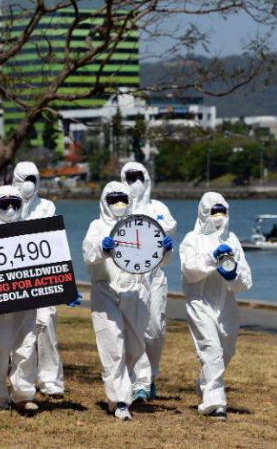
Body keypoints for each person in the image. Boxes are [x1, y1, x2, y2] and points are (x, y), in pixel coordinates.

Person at [83, 181, 173, 420]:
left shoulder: (141, 225)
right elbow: (88, 254)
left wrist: (165, 249)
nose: (118, 204)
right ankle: (121, 400)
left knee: (134, 347)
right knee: (112, 345)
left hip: (136, 291)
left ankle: (124, 385)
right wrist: (101, 247)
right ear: (105, 201)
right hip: (105, 290)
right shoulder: (97, 226)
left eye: (122, 199)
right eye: (113, 200)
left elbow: (157, 260)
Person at [180, 193, 252, 419]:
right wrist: (212, 258)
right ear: (203, 212)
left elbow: (246, 280)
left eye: (222, 211)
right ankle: (215, 403)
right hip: (199, 302)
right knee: (211, 350)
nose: (218, 217)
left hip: (226, 305)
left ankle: (204, 383)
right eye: (214, 212)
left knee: (226, 351)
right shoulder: (191, 239)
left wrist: (233, 275)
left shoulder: (232, 239)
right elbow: (189, 271)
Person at [0, 186, 42, 413]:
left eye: (15, 204)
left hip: (24, 299)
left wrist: (64, 288)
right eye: (5, 204)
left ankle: (23, 394)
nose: (10, 209)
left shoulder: (31, 233)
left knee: (27, 346)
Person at [11, 161, 74, 399]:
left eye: (33, 179)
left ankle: (50, 381)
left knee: (46, 323)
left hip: (42, 276)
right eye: (24, 178)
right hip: (13, 278)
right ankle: (20, 378)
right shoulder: (5, 200)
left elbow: (54, 241)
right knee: (17, 330)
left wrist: (67, 283)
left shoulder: (47, 206)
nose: (29, 184)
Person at [120, 162, 176, 402]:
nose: (135, 182)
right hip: (127, 276)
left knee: (154, 330)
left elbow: (168, 227)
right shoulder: (118, 207)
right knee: (133, 330)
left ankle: (151, 376)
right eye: (129, 177)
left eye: (138, 176)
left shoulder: (158, 207)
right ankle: (137, 382)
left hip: (153, 275)